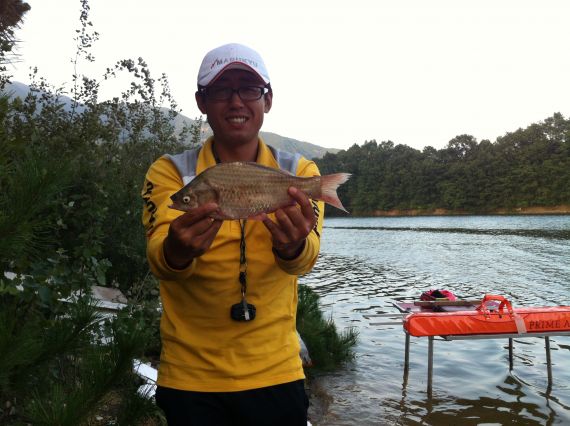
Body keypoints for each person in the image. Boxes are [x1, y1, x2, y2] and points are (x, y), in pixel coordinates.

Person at [141, 43, 325, 425]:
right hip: (191, 375)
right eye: (222, 90)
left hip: (276, 370)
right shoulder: (170, 173)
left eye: (250, 89)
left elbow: (305, 261)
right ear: (202, 102)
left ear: (268, 100)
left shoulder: (301, 172)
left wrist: (292, 246)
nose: (237, 101)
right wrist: (177, 250)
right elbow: (160, 258)